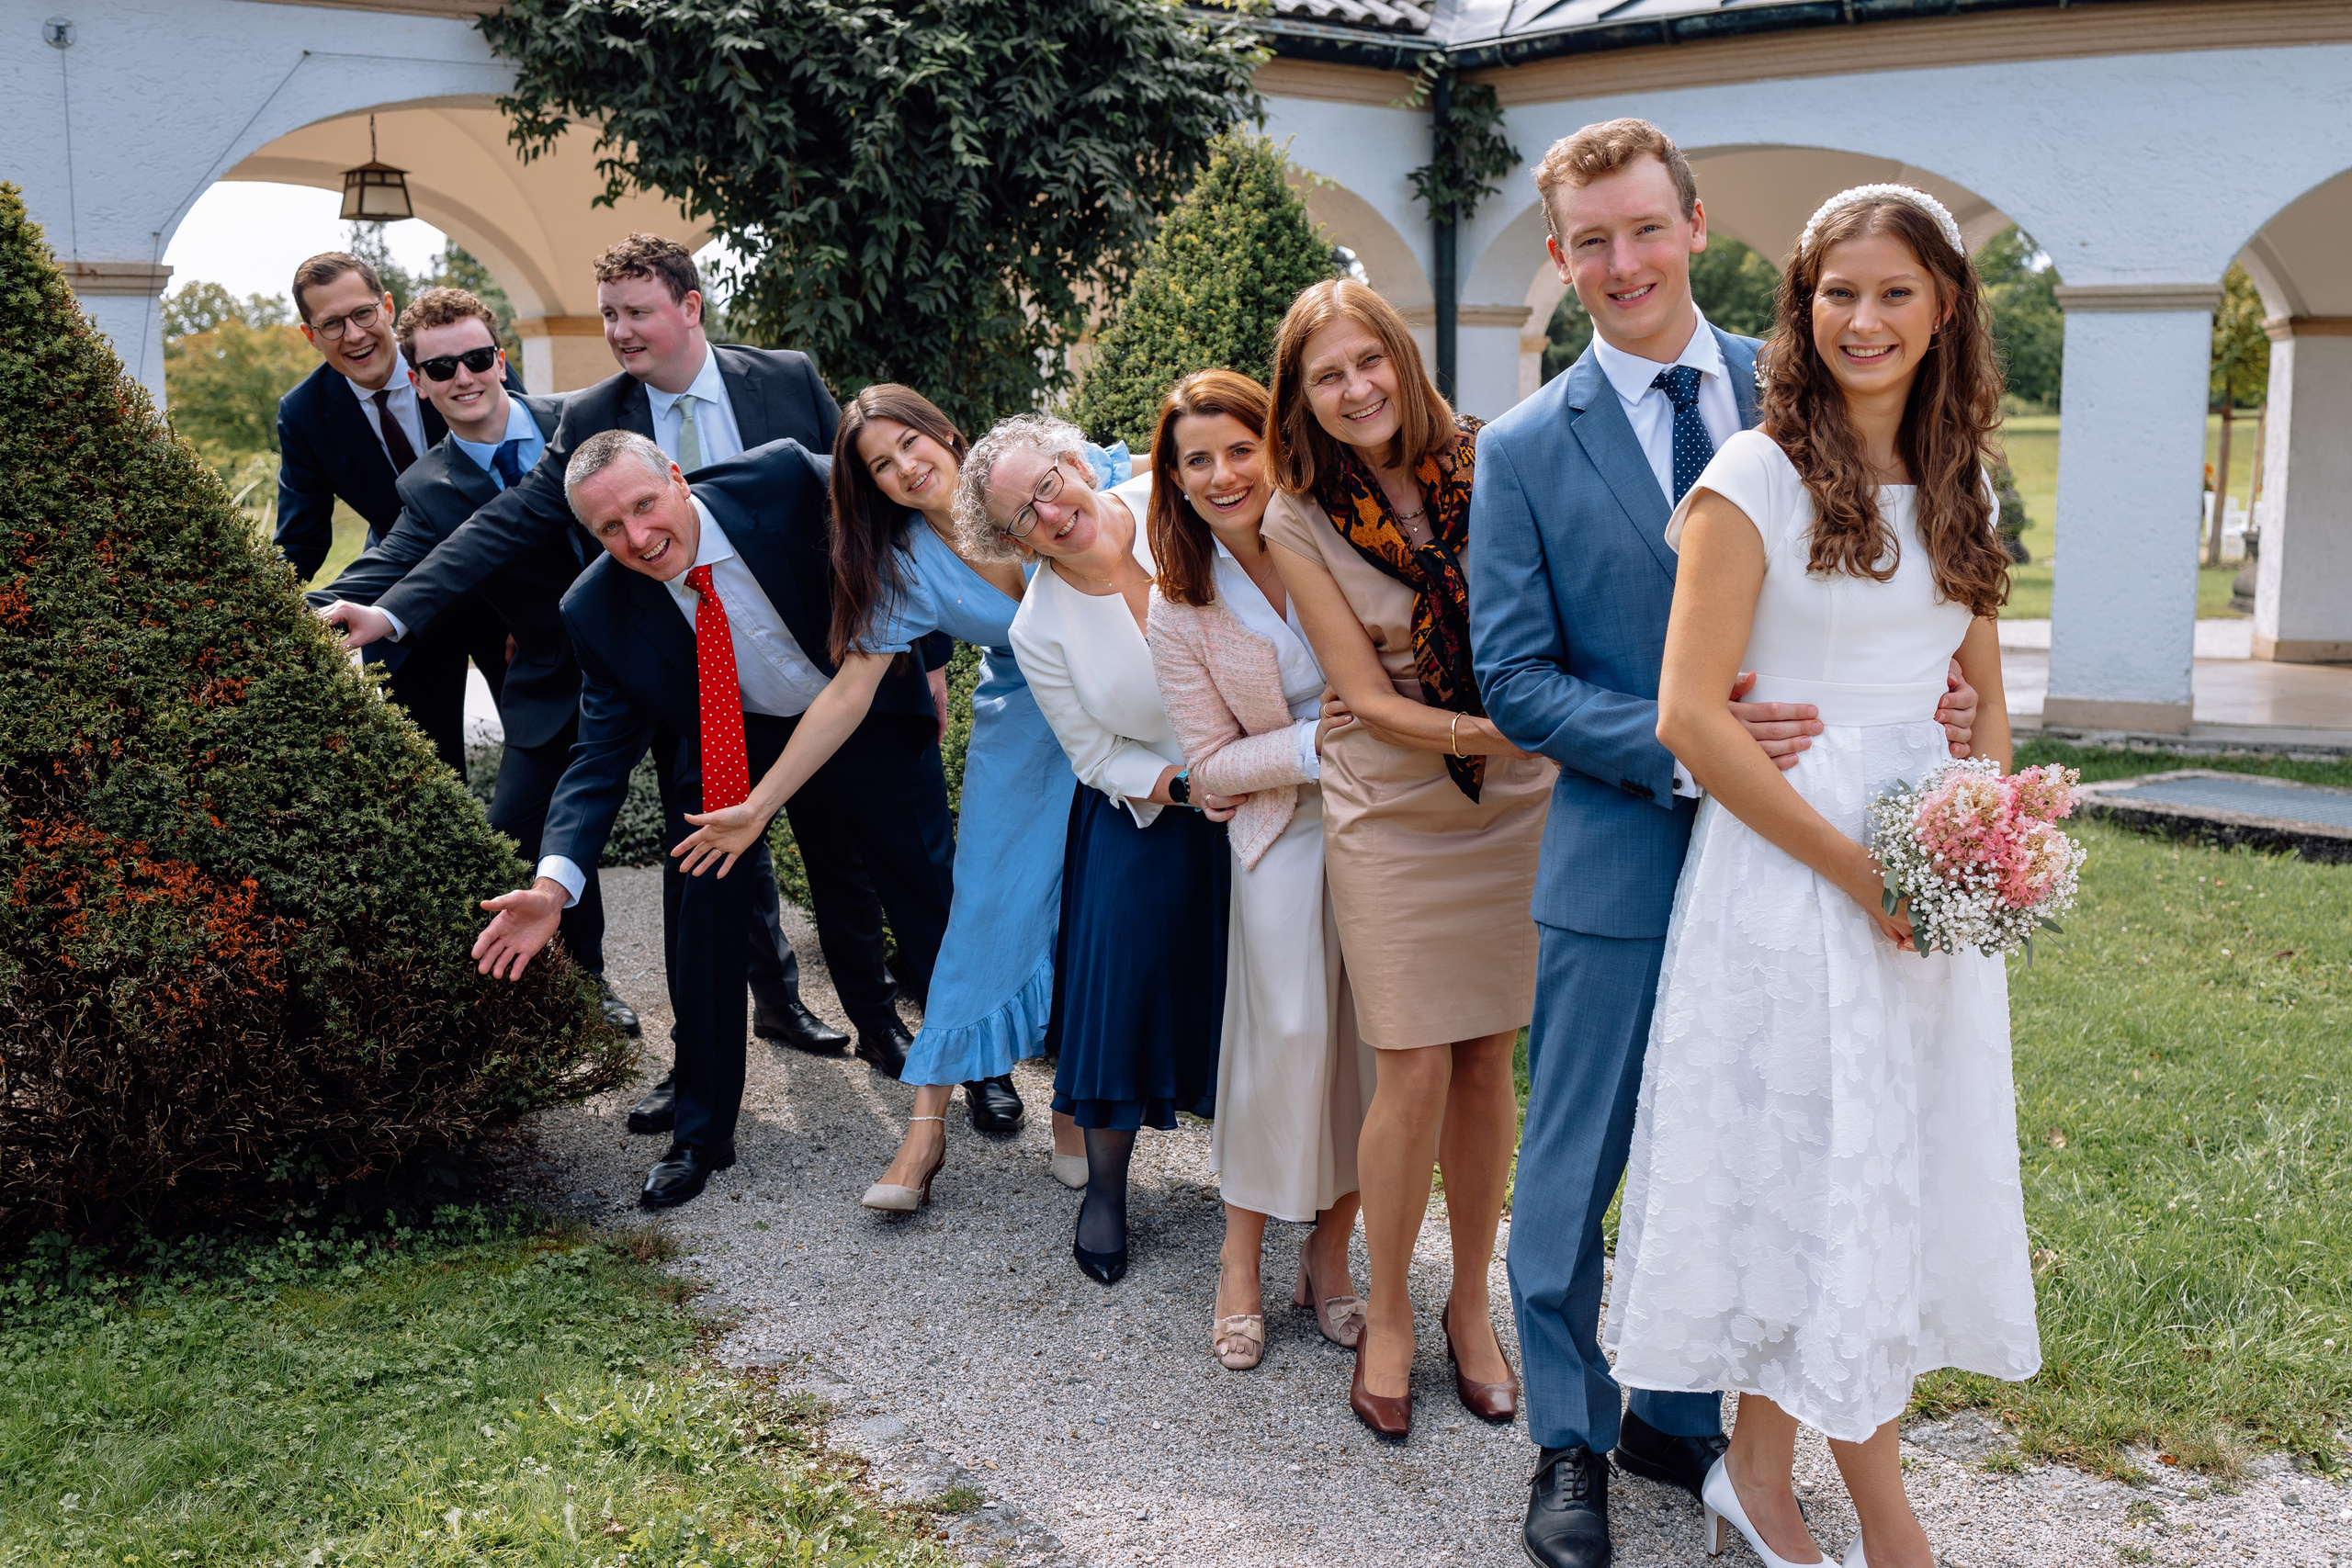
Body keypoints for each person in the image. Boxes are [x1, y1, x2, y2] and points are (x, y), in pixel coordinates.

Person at [1468, 121, 1981, 1568]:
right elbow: (1512, 679)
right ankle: (1570, 1434)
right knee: (1579, 1167)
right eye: (1590, 241)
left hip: (1814, 864)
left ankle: (1677, 1414)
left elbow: (1904, 573)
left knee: (1771, 1144)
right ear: (1562, 262)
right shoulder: (1522, 448)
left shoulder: (1815, 369)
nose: (1622, 262)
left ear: (1697, 224)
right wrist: (1691, 743)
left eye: (1644, 227)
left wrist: (1934, 686)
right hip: (1630, 849)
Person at [1608, 184, 2036, 1568]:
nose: (1865, 319)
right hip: (1799, 874)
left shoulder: (1964, 477)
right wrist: (1862, 873)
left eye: (1895, 292)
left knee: (1877, 1174)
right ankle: (1893, 1525)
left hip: (1928, 872)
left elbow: (1981, 695)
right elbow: (1688, 714)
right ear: (1801, 309)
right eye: (1837, 293)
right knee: (1815, 1169)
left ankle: (1754, 1465)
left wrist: (1984, 825)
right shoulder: (1753, 475)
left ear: (1946, 307)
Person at [316, 232, 925, 1116]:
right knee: (693, 856)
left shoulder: (775, 382)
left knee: (838, 856)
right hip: (654, 674)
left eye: (635, 312)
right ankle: (673, 1053)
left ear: (689, 307)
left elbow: (864, 508)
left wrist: (922, 651)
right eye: (608, 315)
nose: (619, 331)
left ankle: (856, 1016)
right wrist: (384, 611)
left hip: (800, 659)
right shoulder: (584, 418)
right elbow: (485, 531)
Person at [470, 430, 956, 1210]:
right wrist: (554, 888)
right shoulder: (594, 609)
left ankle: (984, 1067)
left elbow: (894, 529)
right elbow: (596, 760)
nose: (637, 538)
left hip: (859, 701)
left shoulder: (784, 478)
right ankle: (700, 1131)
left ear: (676, 477)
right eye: (609, 529)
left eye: (644, 505)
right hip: (738, 735)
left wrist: (929, 652)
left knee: (926, 888)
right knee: (699, 903)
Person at [1258, 279, 1553, 1440]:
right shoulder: (1296, 513)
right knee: (1412, 1064)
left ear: (1403, 361)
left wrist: (1537, 728)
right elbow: (1369, 697)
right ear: (1303, 397)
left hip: (1517, 795)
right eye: (1326, 377)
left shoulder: (1500, 459)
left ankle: (1468, 1308)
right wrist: (1506, 727)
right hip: (1392, 793)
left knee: (1487, 1056)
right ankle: (1388, 1310)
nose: (1354, 391)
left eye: (1367, 364)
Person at [661, 384, 1069, 1212]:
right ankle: (924, 1134)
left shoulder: (1035, 471)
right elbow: (846, 697)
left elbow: (1155, 492)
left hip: (1130, 705)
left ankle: (1083, 1108)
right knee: (981, 910)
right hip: (1027, 720)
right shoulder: (903, 566)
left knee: (1108, 904)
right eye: (881, 466)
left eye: (911, 445)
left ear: (946, 431)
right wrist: (760, 803)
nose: (905, 468)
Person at [311, 286, 637, 1036]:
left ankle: (777, 995)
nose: (464, 377)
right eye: (441, 367)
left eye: (477, 358)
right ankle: (587, 984)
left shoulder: (584, 422)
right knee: (513, 835)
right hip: (553, 676)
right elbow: (396, 561)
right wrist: (301, 609)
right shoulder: (423, 486)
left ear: (500, 358)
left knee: (715, 818)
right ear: (418, 381)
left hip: (659, 657)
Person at [962, 415, 1238, 1285]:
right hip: (1151, 808)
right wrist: (1187, 787)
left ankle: (1274, 1173)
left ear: (1076, 463)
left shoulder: (1176, 501)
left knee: (1268, 987)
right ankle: (1108, 1190)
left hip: (1273, 776)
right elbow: (1094, 756)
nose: (1048, 512)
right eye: (1021, 518)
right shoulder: (1038, 627)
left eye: (1048, 483)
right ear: (1013, 543)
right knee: (1119, 984)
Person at [1142, 369, 1373, 1372]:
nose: (1224, 473)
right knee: (1281, 1041)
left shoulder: (1342, 532)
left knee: (1379, 1052)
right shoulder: (1179, 608)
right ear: (1176, 481)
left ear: (1275, 446)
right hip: (1281, 836)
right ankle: (1239, 1259)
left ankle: (1327, 1255)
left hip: (1393, 826)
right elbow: (1212, 767)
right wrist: (1318, 745)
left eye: (1240, 448)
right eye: (1199, 460)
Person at [276, 251, 512, 773]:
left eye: (362, 314)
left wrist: (539, 605)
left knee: (543, 751)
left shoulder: (461, 359)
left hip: (505, 589)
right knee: (430, 775)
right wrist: (252, 610)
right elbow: (301, 539)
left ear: (386, 306)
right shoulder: (304, 413)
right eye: (331, 324)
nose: (354, 334)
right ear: (309, 336)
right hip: (400, 597)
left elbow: (525, 474)